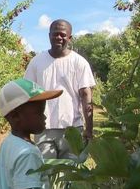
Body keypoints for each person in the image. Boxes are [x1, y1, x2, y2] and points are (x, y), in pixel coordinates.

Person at [24, 19, 96, 160]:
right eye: (55, 34)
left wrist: (89, 128)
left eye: (62, 35)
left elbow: (86, 95)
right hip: (43, 128)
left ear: (69, 38)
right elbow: (29, 94)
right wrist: (27, 127)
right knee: (46, 173)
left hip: (72, 129)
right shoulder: (37, 62)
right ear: (49, 35)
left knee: (71, 175)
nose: (58, 37)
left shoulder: (79, 62)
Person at [0, 78, 63, 189]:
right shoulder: (28, 154)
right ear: (15, 116)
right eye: (39, 112)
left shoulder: (8, 143)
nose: (44, 116)